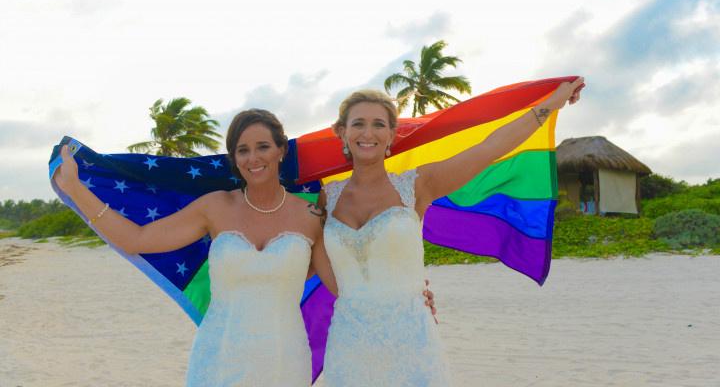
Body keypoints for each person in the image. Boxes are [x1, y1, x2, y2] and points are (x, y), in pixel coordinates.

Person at [317, 77, 584, 386]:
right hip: (349, 344)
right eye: (358, 124)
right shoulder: (326, 198)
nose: (368, 133)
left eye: (379, 124)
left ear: (391, 135)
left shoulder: (416, 185)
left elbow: (489, 149)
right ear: (342, 132)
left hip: (411, 337)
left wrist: (552, 103)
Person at [54, 109, 327, 386]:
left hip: (285, 359)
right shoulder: (215, 207)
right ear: (234, 158)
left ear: (281, 150)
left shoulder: (312, 215)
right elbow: (136, 239)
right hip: (218, 357)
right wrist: (76, 189)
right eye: (243, 150)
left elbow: (338, 277)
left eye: (263, 147)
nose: (253, 158)